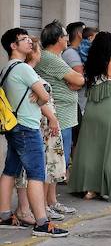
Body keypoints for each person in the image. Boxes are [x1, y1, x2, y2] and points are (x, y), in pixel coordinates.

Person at [0, 29, 65, 236]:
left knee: (10, 169)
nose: (29, 42)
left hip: (13, 126)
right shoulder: (23, 69)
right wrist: (41, 97)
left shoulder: (6, 69)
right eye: (24, 39)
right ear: (13, 45)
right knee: (37, 173)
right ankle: (42, 223)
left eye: (29, 39)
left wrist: (38, 96)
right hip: (27, 127)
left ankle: (4, 215)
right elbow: (44, 95)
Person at [68, 32, 111, 204]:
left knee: (91, 149)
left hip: (91, 109)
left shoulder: (90, 62)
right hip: (109, 110)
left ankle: (90, 189)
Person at [34, 21, 83, 215]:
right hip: (58, 117)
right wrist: (73, 82)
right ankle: (45, 206)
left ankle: (52, 201)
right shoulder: (50, 58)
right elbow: (78, 79)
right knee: (51, 161)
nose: (66, 39)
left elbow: (78, 81)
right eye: (64, 36)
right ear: (56, 39)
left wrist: (74, 82)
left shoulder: (57, 57)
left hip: (64, 116)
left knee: (58, 163)